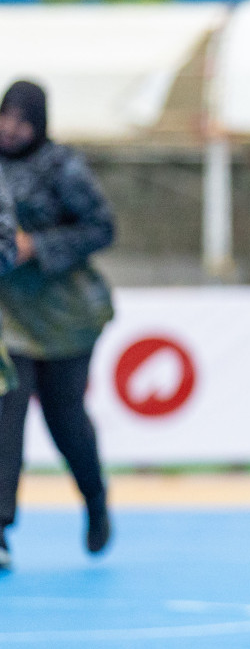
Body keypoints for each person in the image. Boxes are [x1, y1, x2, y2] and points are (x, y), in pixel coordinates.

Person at [0, 80, 112, 570]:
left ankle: (95, 499)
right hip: (10, 318)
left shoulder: (63, 168)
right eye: (5, 118)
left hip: (66, 313)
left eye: (22, 122)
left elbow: (103, 227)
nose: (10, 130)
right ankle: (1, 528)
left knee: (65, 420)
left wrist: (37, 247)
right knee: (7, 412)